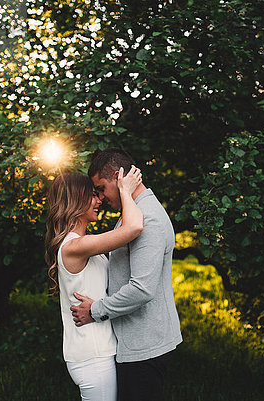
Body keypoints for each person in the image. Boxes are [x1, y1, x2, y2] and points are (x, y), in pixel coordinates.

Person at [70, 147, 183, 401]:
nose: (99, 197)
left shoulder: (148, 218)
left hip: (145, 347)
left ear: (120, 178)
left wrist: (95, 310)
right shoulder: (132, 213)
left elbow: (142, 289)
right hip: (137, 343)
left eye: (100, 188)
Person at [44, 165, 143, 401]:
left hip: (99, 352)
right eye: (91, 195)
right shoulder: (75, 246)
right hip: (92, 357)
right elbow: (134, 227)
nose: (99, 199)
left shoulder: (84, 243)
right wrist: (126, 191)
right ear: (76, 202)